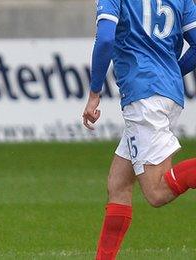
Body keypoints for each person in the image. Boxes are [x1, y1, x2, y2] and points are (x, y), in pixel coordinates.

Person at [84, 0, 196, 259]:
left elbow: (104, 41)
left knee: (156, 192)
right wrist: (170, 73)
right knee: (118, 183)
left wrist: (94, 92)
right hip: (167, 94)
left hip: (143, 96)